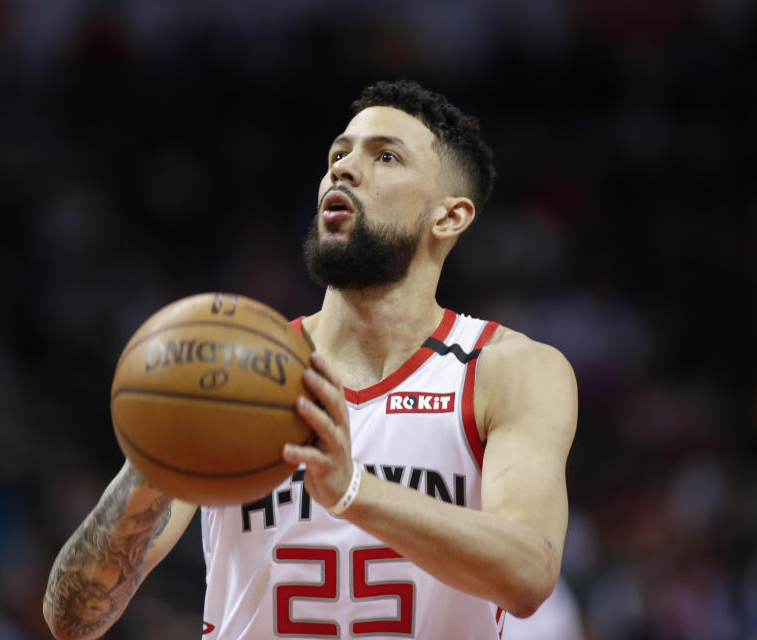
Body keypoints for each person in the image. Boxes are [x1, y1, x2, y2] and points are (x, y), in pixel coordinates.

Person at [43, 79, 577, 640]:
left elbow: (528, 574)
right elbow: (72, 618)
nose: (343, 170)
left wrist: (353, 491)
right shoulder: (233, 375)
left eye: (386, 157)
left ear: (448, 217)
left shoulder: (507, 369)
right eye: (338, 154)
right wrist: (152, 457)